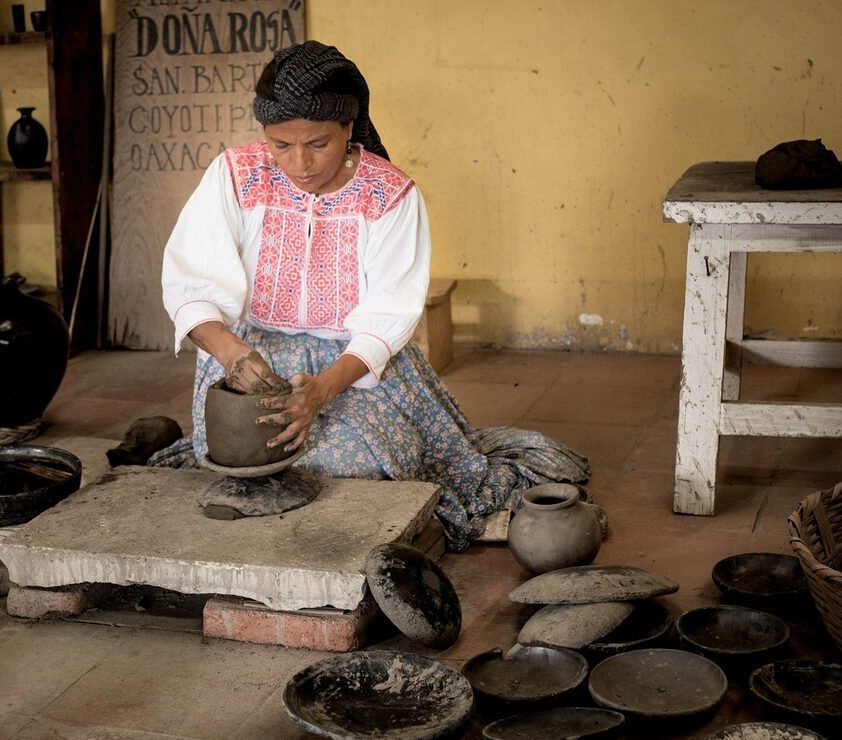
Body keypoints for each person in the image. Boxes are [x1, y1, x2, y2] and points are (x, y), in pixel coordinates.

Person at [152, 41, 589, 550]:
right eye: (280, 145)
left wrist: (321, 391)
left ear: (348, 128)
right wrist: (231, 352)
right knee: (235, 450)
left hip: (353, 365)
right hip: (252, 356)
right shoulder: (234, 175)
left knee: (361, 462)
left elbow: (389, 314)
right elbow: (190, 279)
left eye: (318, 143)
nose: (299, 163)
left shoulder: (390, 195)